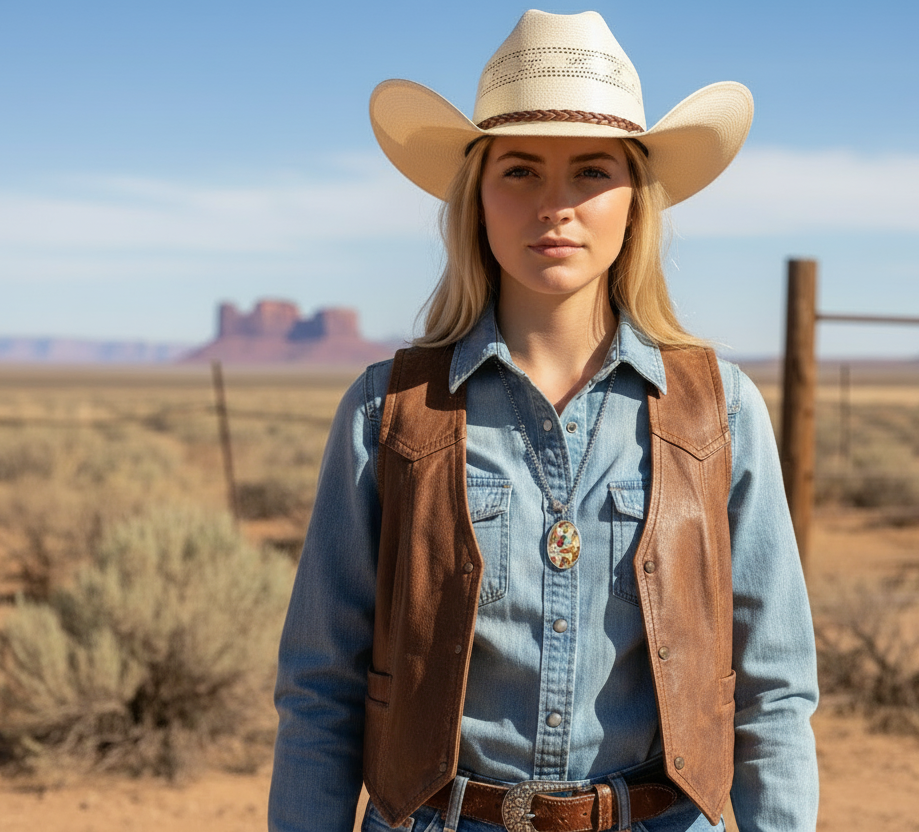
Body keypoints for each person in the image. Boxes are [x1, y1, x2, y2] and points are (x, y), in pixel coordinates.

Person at [269, 9, 818, 832]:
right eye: (520, 171)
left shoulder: (718, 411)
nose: (555, 206)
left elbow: (774, 691)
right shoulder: (390, 412)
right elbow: (321, 688)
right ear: (478, 199)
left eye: (592, 173)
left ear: (635, 200)